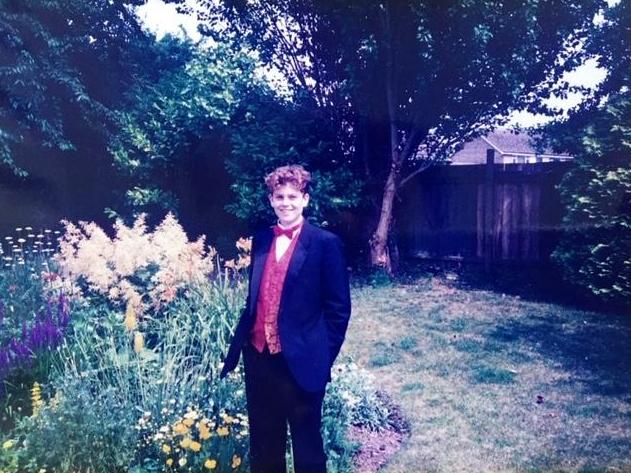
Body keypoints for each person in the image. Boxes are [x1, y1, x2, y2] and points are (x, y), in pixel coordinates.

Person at [220, 164, 351, 473]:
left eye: (293, 196)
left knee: (307, 450)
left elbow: (338, 309)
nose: (286, 202)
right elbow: (258, 296)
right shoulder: (262, 240)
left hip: (302, 362)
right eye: (280, 196)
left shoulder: (324, 243)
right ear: (271, 200)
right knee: (265, 447)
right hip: (259, 358)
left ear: (305, 199)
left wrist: (320, 356)